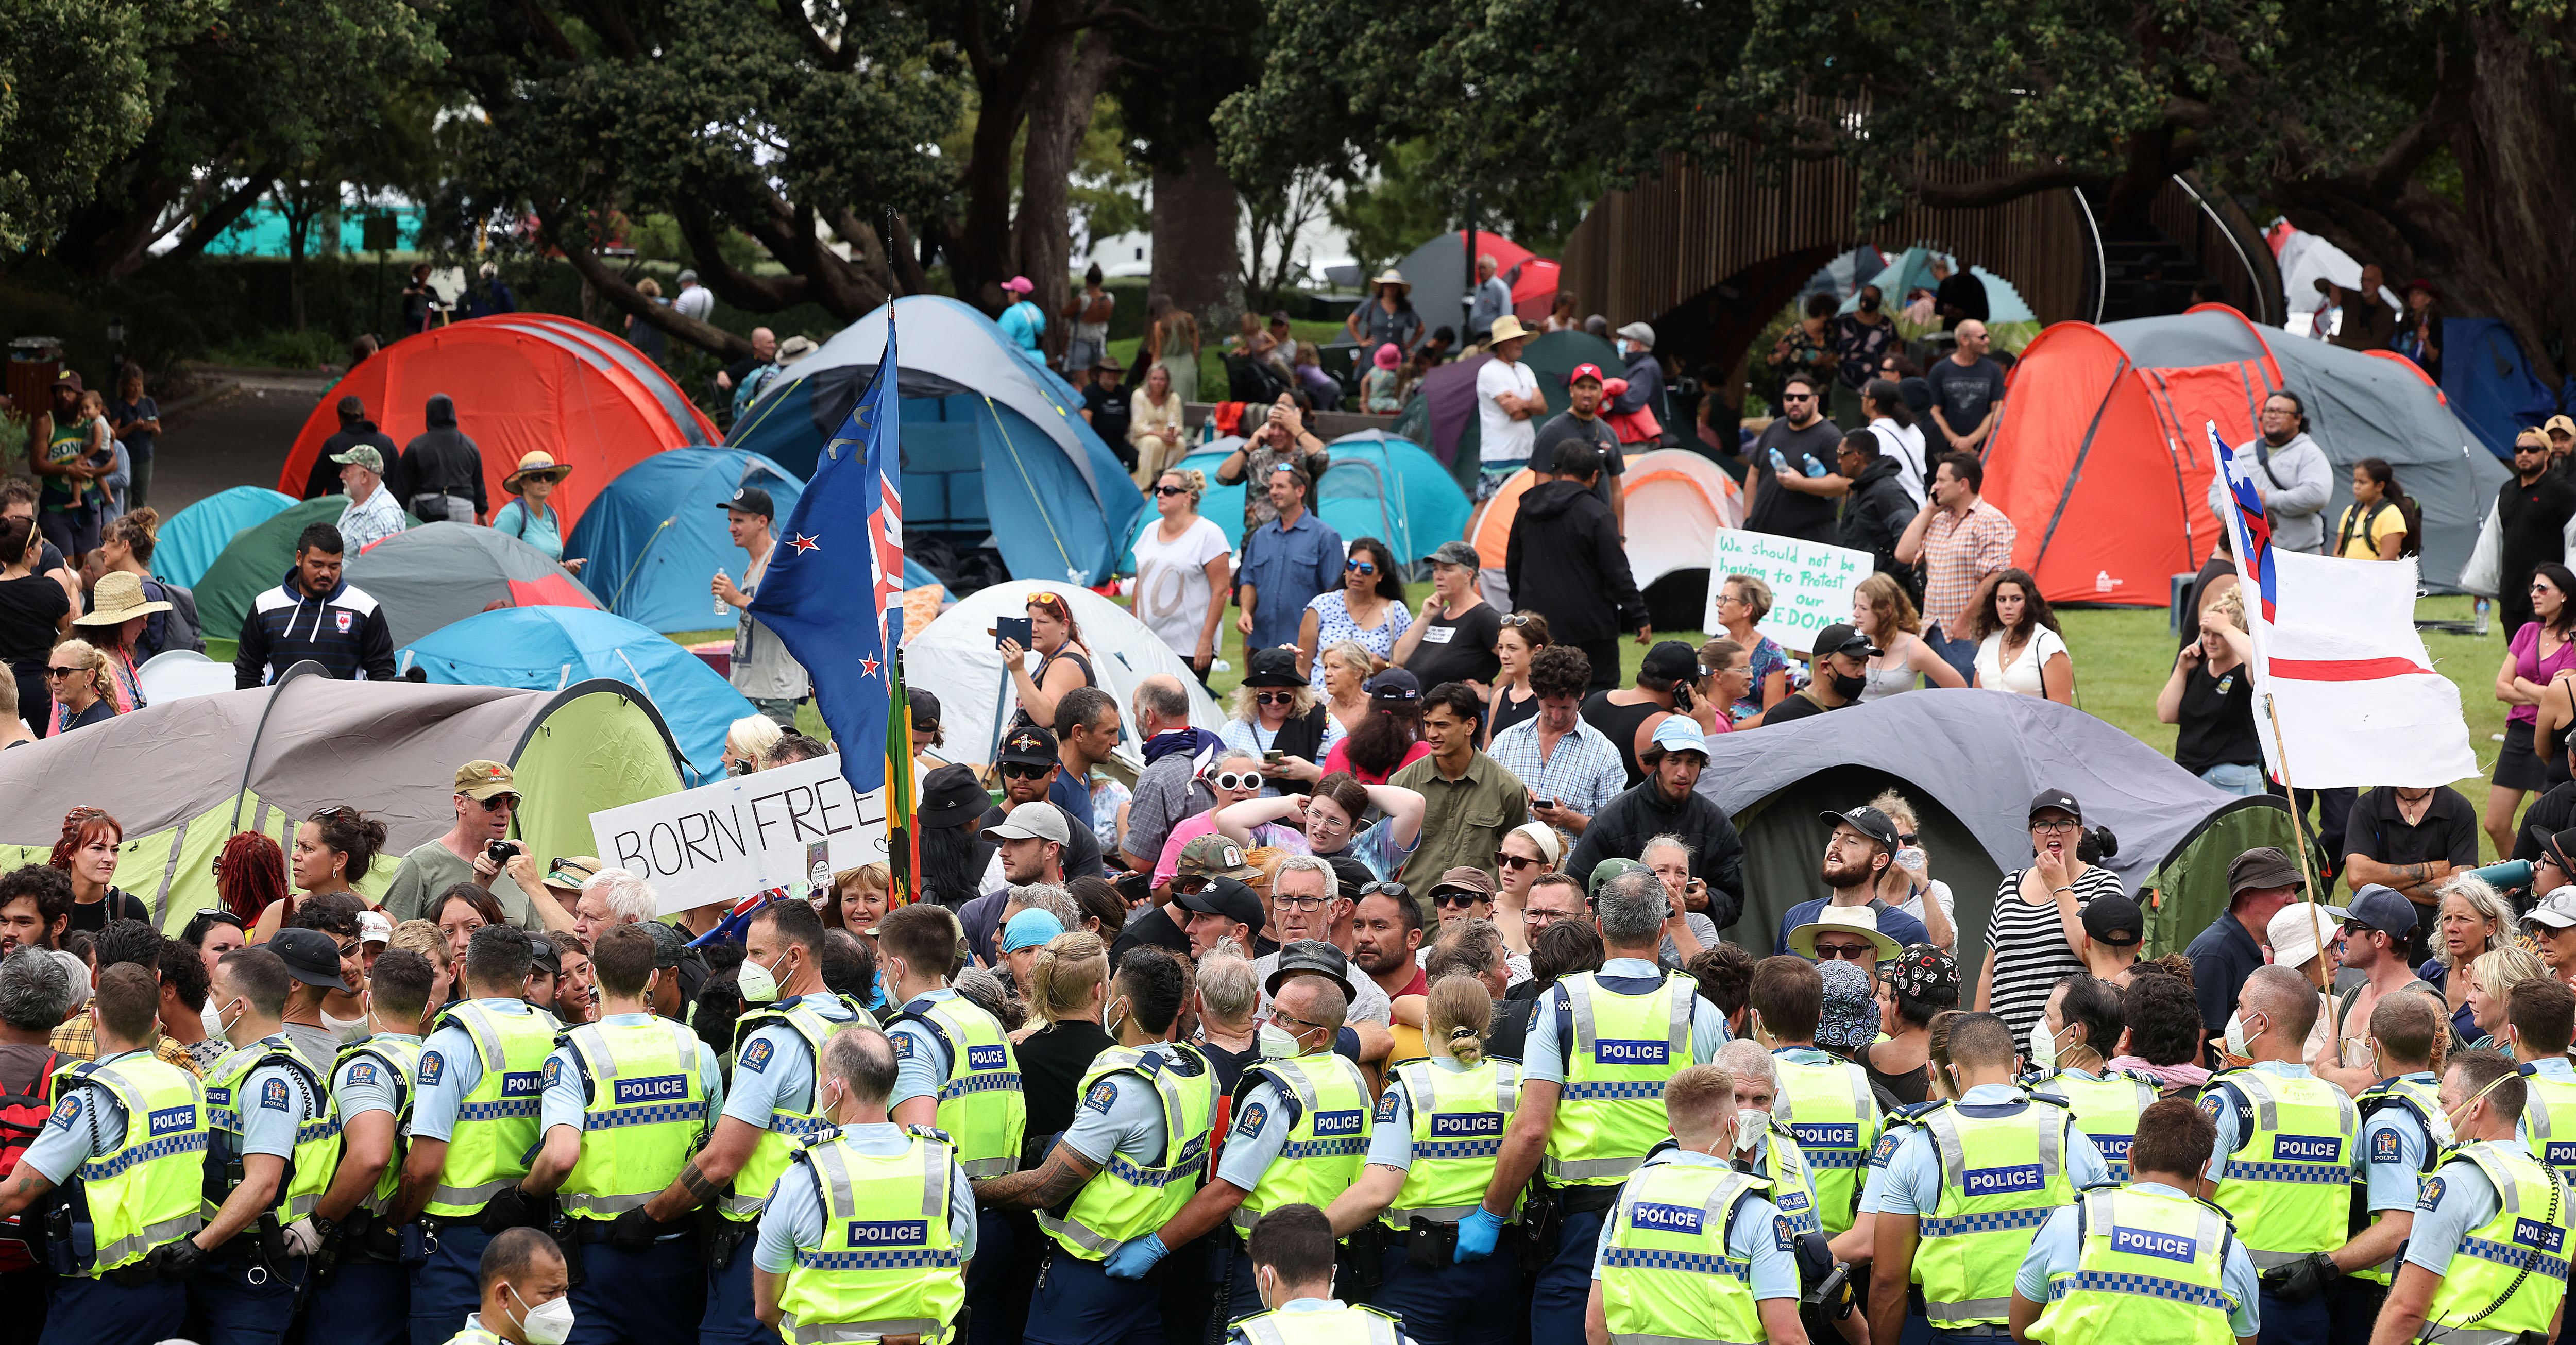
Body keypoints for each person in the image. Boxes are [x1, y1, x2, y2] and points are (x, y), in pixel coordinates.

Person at [1456, 870, 1733, 1340]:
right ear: (1663, 929)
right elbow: (1732, 1122)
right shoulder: (1697, 1008)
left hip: (1582, 1222)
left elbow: (1531, 1129)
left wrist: (1491, 1212)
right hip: (1675, 1216)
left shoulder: (1561, 1004)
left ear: (1599, 926)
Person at [1100, 946, 1374, 1319]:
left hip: (1269, 1266)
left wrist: (1156, 1245)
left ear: (1319, 1034)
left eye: (1287, 1020)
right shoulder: (1352, 1075)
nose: (1272, 1026)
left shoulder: (1274, 1090)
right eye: (1273, 1012)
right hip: (1329, 1257)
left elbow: (1229, 1191)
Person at [972, 947, 1215, 1345]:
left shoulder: (1123, 1088)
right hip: (1147, 1265)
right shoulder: (1195, 1069)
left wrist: (969, 1188)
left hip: (1088, 1278)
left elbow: (1045, 1187)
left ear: (1120, 1006)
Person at [513, 924, 723, 1341]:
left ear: (592, 974)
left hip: (596, 1258)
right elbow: (715, 1151)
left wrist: (523, 1195)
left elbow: (559, 1157)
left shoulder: (572, 1054)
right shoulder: (694, 1049)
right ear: (651, 978)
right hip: (676, 1250)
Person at [1866, 1009, 2108, 1344]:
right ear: (2020, 1067)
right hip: (2047, 1334)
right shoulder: (2067, 1135)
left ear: (1952, 1071)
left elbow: (1887, 1282)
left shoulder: (1919, 1145)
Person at [0, 963, 205, 1342]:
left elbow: (18, 1190)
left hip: (101, 1295)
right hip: (171, 1284)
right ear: (158, 1023)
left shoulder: (93, 1100)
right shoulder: (187, 1085)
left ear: (94, 1017)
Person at [746, 1022, 977, 1344]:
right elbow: (959, 1276)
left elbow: (767, 1307)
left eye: (823, 1077)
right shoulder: (948, 1173)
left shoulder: (804, 1178)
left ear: (837, 1090)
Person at [1584, 1062, 1810, 1345]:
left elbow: (1595, 1326)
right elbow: (1788, 1338)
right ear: (1734, 1126)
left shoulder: (1628, 1199)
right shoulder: (1756, 1212)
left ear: (1673, 1130)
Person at [2197, 963, 2365, 1341]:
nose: (2234, 1017)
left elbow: (2196, 1201)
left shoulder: (2229, 1098)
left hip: (2232, 1297)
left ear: (2260, 1023)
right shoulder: (2342, 1107)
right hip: (2310, 1298)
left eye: (2240, 1007)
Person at [2009, 1096, 2261, 1344]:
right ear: (2204, 1170)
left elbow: (2021, 1330)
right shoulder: (2228, 1249)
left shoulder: (2069, 1222)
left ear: (2131, 1159)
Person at [2365, 1050, 2572, 1345]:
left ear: (2476, 1109)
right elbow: (2551, 1328)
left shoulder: (2459, 1179)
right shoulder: (2560, 1191)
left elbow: (2407, 1310)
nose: (2439, 1114)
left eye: (2445, 1103)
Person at [1747, 955, 1885, 1244]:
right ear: (1820, 1016)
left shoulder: (1752, 1087)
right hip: (1844, 1260)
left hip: (1770, 1250)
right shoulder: (1858, 1080)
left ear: (1756, 1019)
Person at [1979, 789, 2126, 1045]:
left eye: (2064, 823)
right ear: (2033, 834)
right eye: (2043, 824)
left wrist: (2060, 887)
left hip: (2067, 1048)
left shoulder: (2103, 884)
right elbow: (1991, 970)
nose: (2053, 831)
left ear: (2080, 834)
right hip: (2003, 1049)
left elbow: (2094, 956)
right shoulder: (2009, 885)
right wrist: (1978, 1034)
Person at [1509, 444, 1649, 694]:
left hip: (1537, 621)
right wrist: (1639, 615)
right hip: (1589, 626)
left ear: (1557, 471)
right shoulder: (1597, 514)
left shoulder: (1526, 508)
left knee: (1540, 690)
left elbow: (1513, 562)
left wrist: (1519, 605)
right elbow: (1617, 570)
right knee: (1596, 693)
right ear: (1595, 476)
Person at [381, 760, 551, 930]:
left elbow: (537, 942)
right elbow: (392, 941)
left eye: (511, 803)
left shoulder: (517, 864)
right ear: (460, 803)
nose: (504, 813)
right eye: (492, 803)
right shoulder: (420, 864)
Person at [1897, 452, 2019, 681]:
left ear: (1963, 484)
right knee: (1937, 707)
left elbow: (1994, 577)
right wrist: (1929, 510)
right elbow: (1904, 554)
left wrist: (1964, 621)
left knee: (1968, 703)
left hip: (1968, 632)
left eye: (1942, 480)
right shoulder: (1938, 520)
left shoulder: (1990, 520)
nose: (1935, 487)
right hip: (1933, 630)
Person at [1487, 644, 1625, 839]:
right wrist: (1510, 799)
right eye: (1549, 706)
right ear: (1535, 693)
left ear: (1582, 695)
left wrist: (1567, 819)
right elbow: (1478, 807)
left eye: (1565, 707)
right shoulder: (1506, 742)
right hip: (1510, 865)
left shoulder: (1604, 754)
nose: (1556, 716)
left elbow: (1615, 831)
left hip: (1568, 867)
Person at [2025, 974, 2159, 1176]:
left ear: (2074, 1033)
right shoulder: (2145, 1094)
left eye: (2049, 1017)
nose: (2042, 1024)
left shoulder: (2037, 1095)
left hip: (2073, 1208)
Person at [1771, 805, 1934, 956]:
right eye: (1835, 836)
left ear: (1879, 861)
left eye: (1851, 841)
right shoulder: (1797, 918)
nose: (1835, 845)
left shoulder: (1907, 932)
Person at [709, 486, 809, 727]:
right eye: (731, 520)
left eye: (739, 521)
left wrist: (736, 598)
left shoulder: (777, 560)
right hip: (749, 686)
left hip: (773, 691)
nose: (732, 528)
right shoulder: (753, 565)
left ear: (762, 521)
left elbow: (779, 614)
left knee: (775, 763)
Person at [2159, 586, 2264, 794]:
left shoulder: (2247, 673)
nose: (2210, 641)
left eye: (2218, 635)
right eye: (2205, 633)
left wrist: (2226, 627)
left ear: (2237, 634)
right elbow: (2166, 715)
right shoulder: (2196, 671)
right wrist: (2181, 669)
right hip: (2188, 778)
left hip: (2231, 782)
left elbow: (2262, 662)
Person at [1235, 464, 1345, 656]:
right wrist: (1245, 612)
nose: (1274, 492)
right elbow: (1249, 581)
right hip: (1262, 644)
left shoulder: (1325, 537)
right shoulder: (1260, 537)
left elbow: (1334, 594)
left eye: (1280, 487)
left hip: (1303, 647)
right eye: (1271, 487)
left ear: (1300, 491)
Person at [2209, 391, 2334, 556]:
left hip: (2296, 553)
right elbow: (2217, 488)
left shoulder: (2309, 453)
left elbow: (2318, 494)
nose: (2272, 416)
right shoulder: (2244, 452)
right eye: (2268, 411)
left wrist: (2268, 499)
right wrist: (2224, 513)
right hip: (2248, 553)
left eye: (2280, 412)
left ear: (2297, 419)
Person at [2343, 781, 2480, 922]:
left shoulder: (2459, 808)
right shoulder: (2367, 806)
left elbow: (2460, 888)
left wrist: (2379, 890)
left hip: (2438, 930)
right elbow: (2358, 876)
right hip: (2376, 927)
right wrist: (2430, 871)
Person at [1219, 647, 1341, 796]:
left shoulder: (1325, 725)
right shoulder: (1234, 730)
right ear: (1253, 696)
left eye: (1283, 697)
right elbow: (1215, 777)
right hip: (1248, 815)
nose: (1274, 703)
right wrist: (1249, 769)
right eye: (1266, 697)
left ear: (1297, 694)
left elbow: (1349, 783)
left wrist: (1311, 773)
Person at [1742, 373, 1843, 544]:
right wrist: (1748, 518)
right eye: (1789, 397)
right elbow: (1754, 473)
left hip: (1806, 543)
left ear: (1816, 400)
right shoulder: (1774, 428)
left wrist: (1802, 484)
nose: (1795, 402)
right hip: (1761, 537)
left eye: (1802, 398)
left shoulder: (1831, 437)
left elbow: (1842, 484)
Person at [2496, 428, 2576, 637]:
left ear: (2546, 454)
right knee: (2516, 657)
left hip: (2547, 592)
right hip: (2511, 592)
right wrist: (2482, 586)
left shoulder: (2562, 492)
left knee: (2541, 658)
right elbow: (2493, 541)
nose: (2524, 454)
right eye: (2519, 449)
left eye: (2532, 449)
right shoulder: (2507, 491)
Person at [1391, 541, 1501, 693]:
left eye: (1447, 570)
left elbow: (1521, 657)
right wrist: (1425, 616)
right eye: (1436, 569)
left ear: (1468, 575)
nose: (1438, 576)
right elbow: (1398, 658)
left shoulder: (1484, 616)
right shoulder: (1436, 614)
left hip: (1459, 711)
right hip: (1423, 708)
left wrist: (1494, 692)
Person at [1529, 362, 1627, 530]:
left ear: (1601, 392)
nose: (1587, 394)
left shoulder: (1608, 433)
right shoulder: (1552, 431)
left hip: (1601, 528)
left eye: (1593, 388)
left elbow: (1616, 490)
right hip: (1565, 528)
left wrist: (1619, 537)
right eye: (1581, 387)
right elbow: (1542, 488)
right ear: (1571, 391)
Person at [2421, 875, 2515, 1047]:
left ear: (2490, 926)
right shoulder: (2431, 972)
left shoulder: (2504, 979)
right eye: (2447, 919)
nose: (2452, 928)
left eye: (2463, 919)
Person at [1300, 536, 1411, 675]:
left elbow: (1411, 670)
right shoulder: (1321, 605)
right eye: (1352, 565)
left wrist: (1384, 667)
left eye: (1366, 569)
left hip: (1373, 695)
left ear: (1380, 576)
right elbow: (1302, 667)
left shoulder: (1395, 612)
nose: (1357, 573)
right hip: (1321, 695)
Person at [1866, 944, 1958, 1105]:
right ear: (1957, 1004)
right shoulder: (1958, 1071)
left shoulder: (1859, 1060)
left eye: (1885, 997)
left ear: (1898, 1005)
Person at [1969, 568, 2073, 702]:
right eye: (2002, 600)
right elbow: (1977, 699)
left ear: (2029, 602)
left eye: (2016, 599)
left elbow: (2062, 710)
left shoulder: (2048, 644)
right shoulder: (1990, 643)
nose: (2008, 606)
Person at [1852, 573, 1962, 701]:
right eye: (1855, 606)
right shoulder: (1851, 640)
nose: (1855, 614)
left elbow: (1959, 688)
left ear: (1887, 611)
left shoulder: (1913, 648)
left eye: (1863, 609)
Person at [384, 394, 485, 526]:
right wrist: (482, 511)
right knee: (460, 547)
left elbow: (402, 486)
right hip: (462, 507)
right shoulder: (469, 446)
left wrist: (399, 514)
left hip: (425, 508)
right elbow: (478, 482)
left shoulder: (416, 446)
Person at [1320, 669, 1433, 785]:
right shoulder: (1426, 754)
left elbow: (1323, 796)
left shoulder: (1342, 748)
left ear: (1371, 705)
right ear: (1415, 709)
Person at [1709, 574, 1793, 725]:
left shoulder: (1772, 654)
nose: (1718, 604)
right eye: (1719, 598)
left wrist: (1728, 730)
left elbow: (1772, 713)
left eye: (1726, 599)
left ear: (1747, 609)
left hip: (1746, 737)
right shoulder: (1714, 645)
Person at [1835, 432, 1916, 577]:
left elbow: (1910, 538)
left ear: (1855, 457)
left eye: (1841, 453)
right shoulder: (1862, 488)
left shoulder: (1887, 491)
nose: (1839, 461)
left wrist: (1888, 580)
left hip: (1882, 589)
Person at [1764, 623, 1878, 724]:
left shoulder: (1864, 715)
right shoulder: (1783, 717)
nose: (1862, 673)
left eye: (1865, 663)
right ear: (1825, 667)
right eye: (1854, 664)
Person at [1925, 319, 2007, 456]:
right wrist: (1955, 441)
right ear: (1964, 340)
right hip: (1949, 449)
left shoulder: (1992, 369)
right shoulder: (1941, 370)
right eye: (1982, 337)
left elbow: (1997, 409)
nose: (1987, 340)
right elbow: (1934, 411)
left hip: (1982, 449)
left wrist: (1971, 440)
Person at [490, 451, 580, 569]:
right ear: (523, 483)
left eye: (549, 477)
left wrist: (566, 568)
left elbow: (554, 562)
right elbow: (496, 558)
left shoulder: (552, 515)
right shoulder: (512, 514)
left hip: (546, 585)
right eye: (536, 477)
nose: (543, 481)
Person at [1478, 612, 1553, 745]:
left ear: (1537, 651)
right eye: (1501, 648)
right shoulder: (1500, 696)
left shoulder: (1550, 698)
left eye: (1512, 648)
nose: (1504, 655)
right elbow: (1488, 753)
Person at [308, 395, 401, 499]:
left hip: (339, 508)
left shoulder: (333, 444)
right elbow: (399, 481)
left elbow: (316, 484)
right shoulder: (386, 442)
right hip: (378, 503)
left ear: (340, 418)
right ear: (363, 415)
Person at [326, 441, 408, 553]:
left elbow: (374, 567)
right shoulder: (358, 501)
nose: (341, 475)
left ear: (364, 476)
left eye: (346, 470)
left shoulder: (382, 515)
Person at [2335, 458, 2420, 560]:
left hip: (2375, 576)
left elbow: (2387, 562)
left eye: (2362, 482)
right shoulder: (2350, 512)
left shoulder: (2391, 515)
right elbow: (2338, 553)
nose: (2356, 486)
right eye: (2355, 481)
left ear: (2380, 486)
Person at [1129, 363, 1188, 488]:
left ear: (1167, 382)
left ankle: (1173, 482)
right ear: (1149, 379)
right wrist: (1160, 434)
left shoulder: (1173, 398)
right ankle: (1145, 483)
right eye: (1154, 379)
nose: (1158, 383)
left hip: (1168, 436)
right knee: (1153, 442)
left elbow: (1178, 425)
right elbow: (1138, 427)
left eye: (1162, 379)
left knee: (1180, 443)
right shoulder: (1139, 396)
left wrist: (1173, 434)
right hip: (1144, 436)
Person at [41, 639, 115, 734]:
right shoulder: (78, 710)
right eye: (50, 672)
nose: (54, 680)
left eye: (63, 672)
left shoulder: (99, 725)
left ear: (89, 677)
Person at [1347, 270, 1424, 356]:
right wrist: (1361, 341)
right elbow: (1351, 322)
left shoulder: (1405, 308)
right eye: (1388, 285)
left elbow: (1421, 328)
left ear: (1399, 288)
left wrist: (1409, 345)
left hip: (1397, 356)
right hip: (1373, 355)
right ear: (1382, 287)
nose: (1391, 288)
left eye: (1394, 285)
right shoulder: (1371, 304)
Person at [1360, 341, 1404, 414]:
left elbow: (1364, 381)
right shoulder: (1391, 376)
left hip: (1372, 401)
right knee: (1401, 405)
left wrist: (1364, 399)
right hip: (1385, 403)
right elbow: (1398, 390)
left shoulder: (1374, 370)